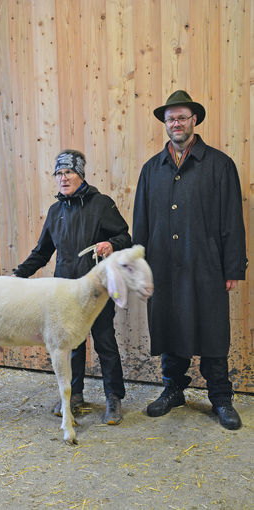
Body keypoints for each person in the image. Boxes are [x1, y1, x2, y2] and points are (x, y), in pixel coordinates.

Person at [132, 90, 248, 430]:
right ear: (165, 125)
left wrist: (232, 267)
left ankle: (221, 398)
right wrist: (140, 268)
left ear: (194, 119)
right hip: (163, 265)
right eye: (170, 119)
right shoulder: (152, 169)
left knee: (212, 329)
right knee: (168, 324)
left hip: (205, 264)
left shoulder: (219, 164)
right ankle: (173, 390)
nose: (176, 123)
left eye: (182, 117)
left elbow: (231, 220)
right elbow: (141, 223)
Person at [13, 149, 131, 424]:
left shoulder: (101, 204)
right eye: (59, 173)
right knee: (71, 345)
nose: (63, 178)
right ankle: (74, 395)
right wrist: (18, 276)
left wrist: (111, 244)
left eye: (69, 172)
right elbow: (42, 252)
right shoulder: (56, 212)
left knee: (105, 342)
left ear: (80, 175)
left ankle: (113, 398)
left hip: (97, 291)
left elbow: (125, 236)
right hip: (65, 291)